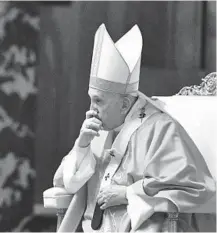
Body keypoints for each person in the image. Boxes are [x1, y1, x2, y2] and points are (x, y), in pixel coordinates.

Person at [53, 24, 216, 232]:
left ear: (123, 104)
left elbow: (192, 186)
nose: (91, 110)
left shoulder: (160, 128)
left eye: (98, 101)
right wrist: (82, 146)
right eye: (91, 100)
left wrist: (128, 193)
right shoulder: (98, 130)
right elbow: (63, 182)